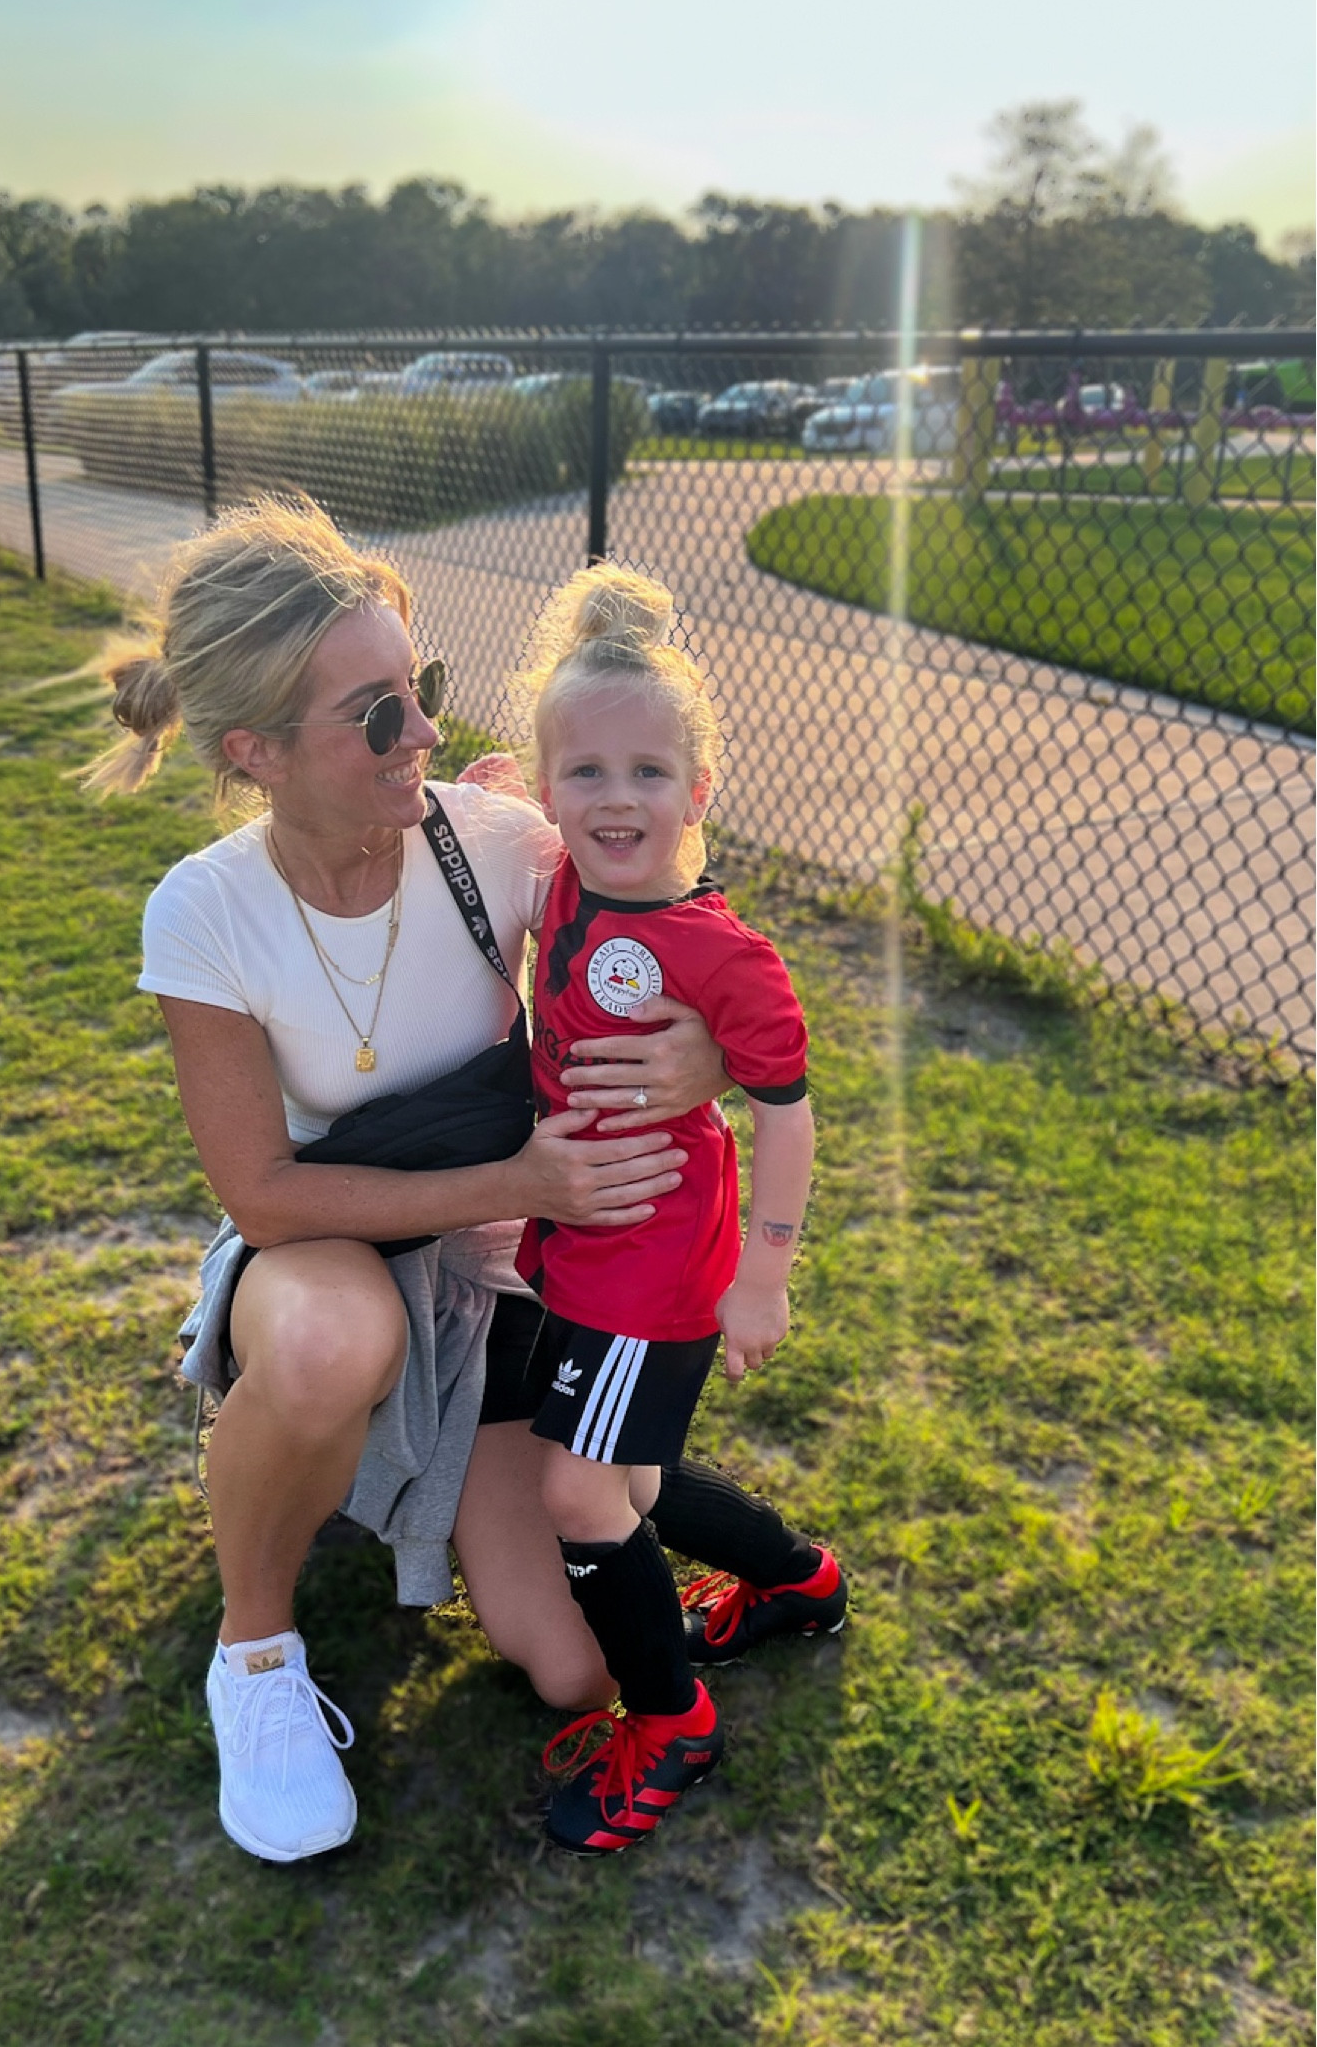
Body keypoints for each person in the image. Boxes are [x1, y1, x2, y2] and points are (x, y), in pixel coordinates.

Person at [81, 495, 733, 1866]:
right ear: (256, 750)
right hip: (323, 1243)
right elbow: (263, 1193)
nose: (425, 736)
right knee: (332, 1337)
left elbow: (679, 941)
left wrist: (699, 1058)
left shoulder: (492, 845)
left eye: (417, 689)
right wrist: (520, 1177)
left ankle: (455, 1475)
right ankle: (254, 1654)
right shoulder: (204, 911)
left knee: (569, 1675)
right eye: (377, 715)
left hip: (491, 1257)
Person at [511, 565, 845, 1856]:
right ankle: (795, 1582)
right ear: (548, 789)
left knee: (580, 1498)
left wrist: (765, 1274)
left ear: (697, 792)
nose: (614, 798)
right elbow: (500, 782)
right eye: (583, 772)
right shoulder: (562, 882)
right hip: (586, 1245)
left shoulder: (721, 955)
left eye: (648, 773)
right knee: (630, 1481)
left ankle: (671, 1722)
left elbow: (787, 1112)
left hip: (647, 1270)